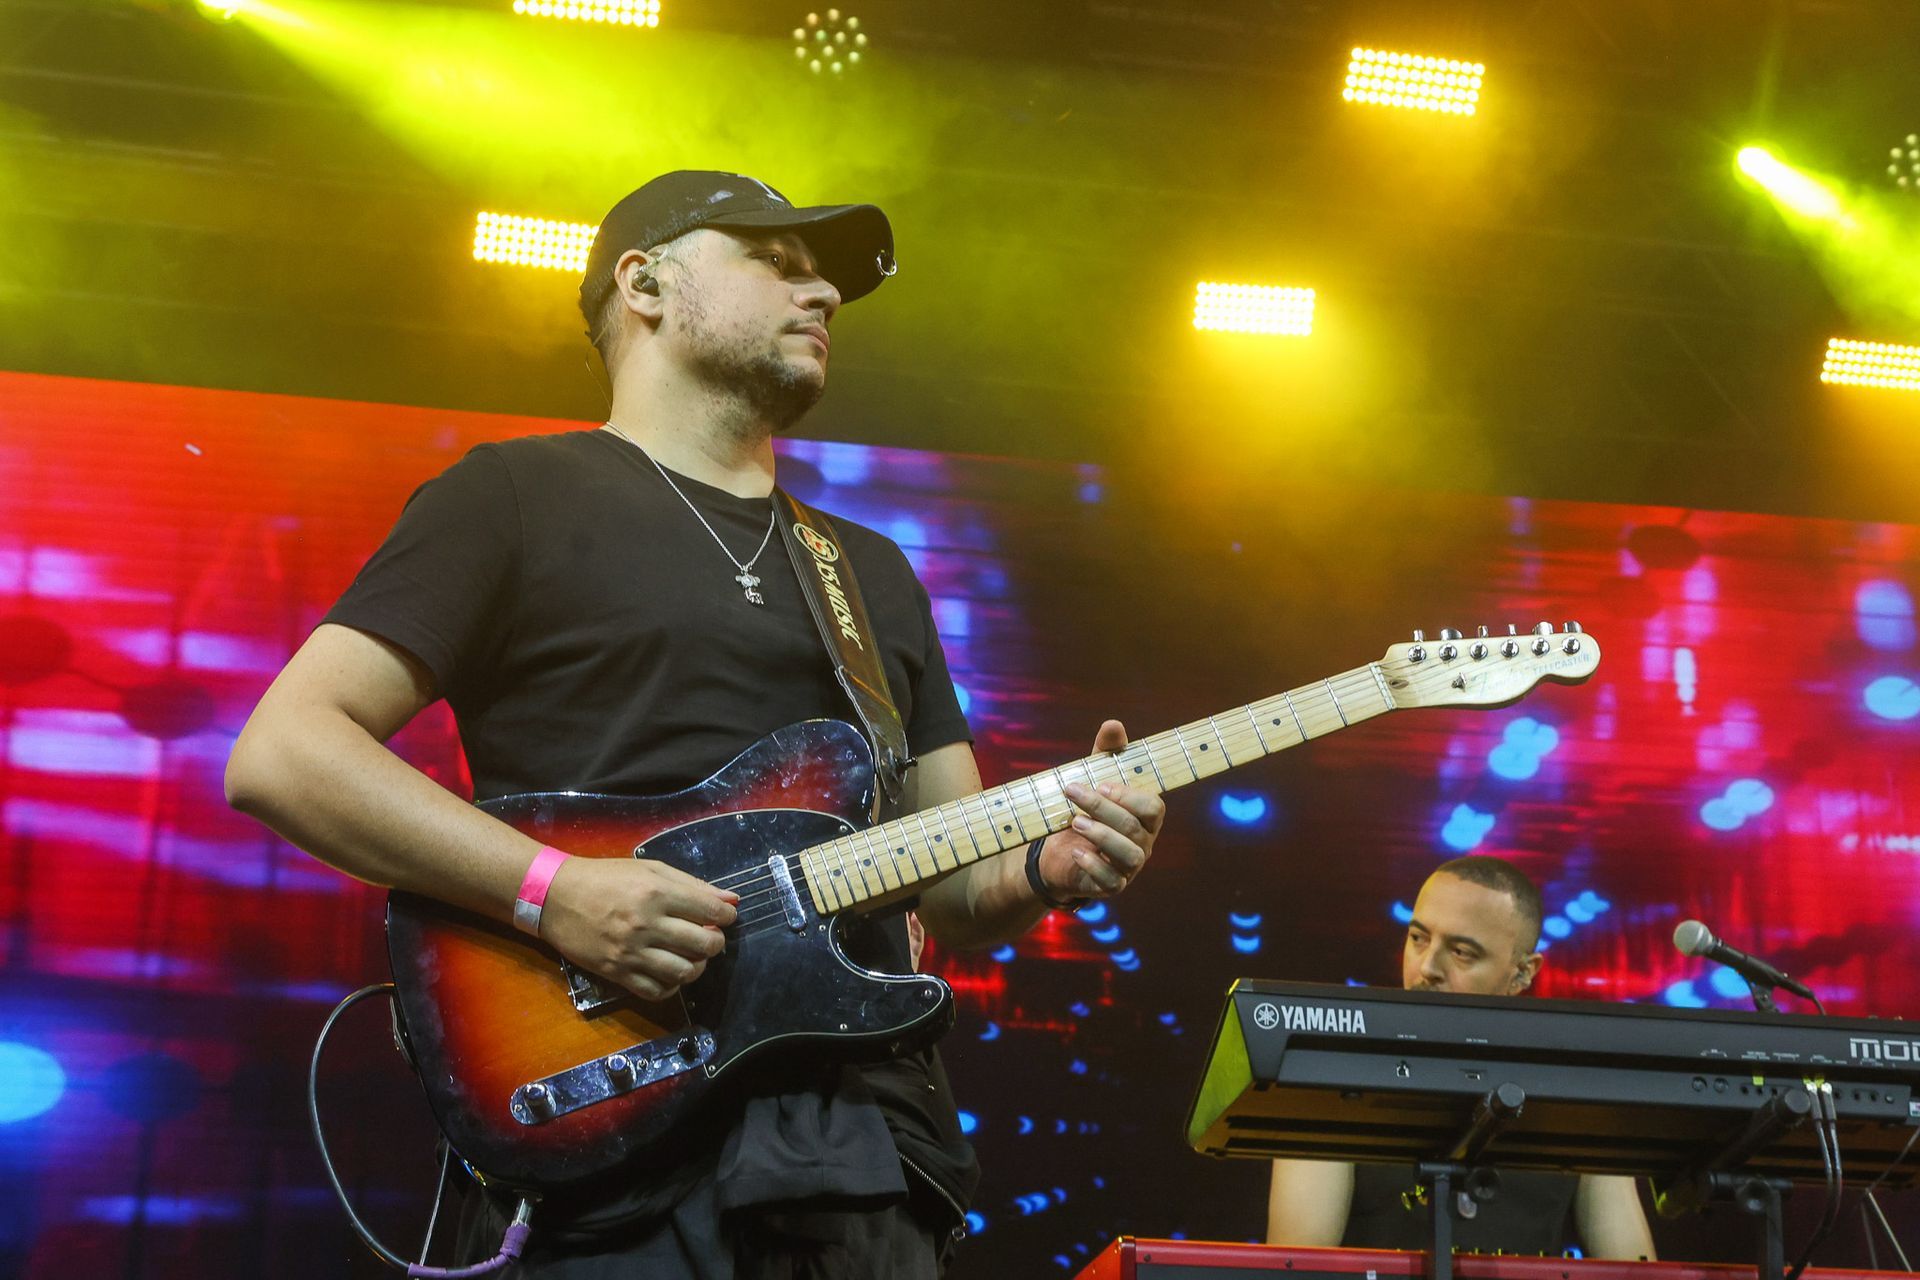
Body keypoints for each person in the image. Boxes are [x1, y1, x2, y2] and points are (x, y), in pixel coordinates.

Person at [224, 170, 1166, 1278]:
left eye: (829, 278)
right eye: (777, 258)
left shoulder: (870, 572)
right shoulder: (513, 497)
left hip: (863, 1154)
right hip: (605, 1121)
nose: (820, 293)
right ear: (646, 282)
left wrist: (1046, 867)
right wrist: (553, 890)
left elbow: (955, 889)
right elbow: (285, 750)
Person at [1265, 856, 1655, 1260]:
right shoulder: (1331, 1080)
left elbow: (1634, 1268)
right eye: (1418, 938)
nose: (1427, 966)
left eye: (1462, 952)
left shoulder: (1579, 1093)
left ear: (1522, 973)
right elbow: (1299, 1265)